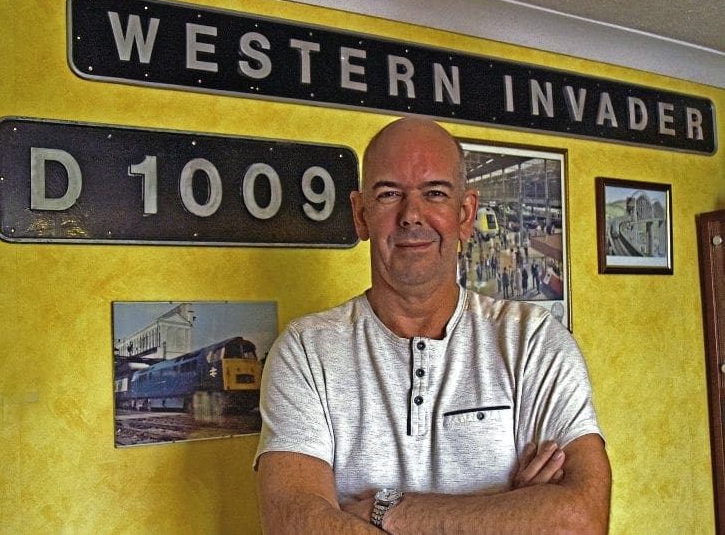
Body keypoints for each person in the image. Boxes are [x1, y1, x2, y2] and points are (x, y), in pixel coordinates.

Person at [255, 117, 611, 533]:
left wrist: (386, 511)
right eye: (389, 194)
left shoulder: (533, 341)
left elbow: (580, 520)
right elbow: (293, 524)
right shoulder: (305, 352)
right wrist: (510, 513)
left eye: (435, 193)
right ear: (360, 214)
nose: (411, 215)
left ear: (465, 214)